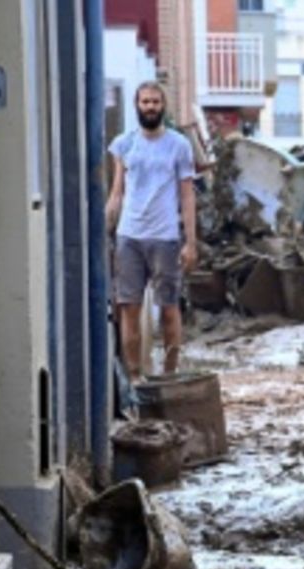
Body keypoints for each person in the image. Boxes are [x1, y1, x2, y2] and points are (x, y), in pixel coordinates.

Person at [105, 81, 198, 379]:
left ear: (164, 106)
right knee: (128, 309)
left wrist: (191, 243)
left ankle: (169, 375)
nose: (150, 107)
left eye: (156, 102)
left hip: (165, 238)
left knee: (169, 308)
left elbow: (187, 194)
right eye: (145, 102)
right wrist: (107, 223)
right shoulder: (124, 144)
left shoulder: (179, 145)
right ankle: (134, 378)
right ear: (137, 105)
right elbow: (117, 190)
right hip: (129, 236)